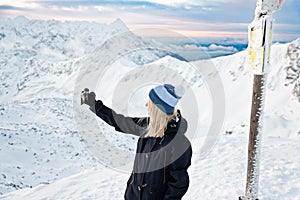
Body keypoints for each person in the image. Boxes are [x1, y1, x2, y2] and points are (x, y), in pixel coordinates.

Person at [81, 84, 192, 200]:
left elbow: (178, 185)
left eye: (150, 102)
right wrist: (94, 105)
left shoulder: (178, 144)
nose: (146, 105)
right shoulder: (148, 127)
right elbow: (120, 121)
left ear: (158, 108)